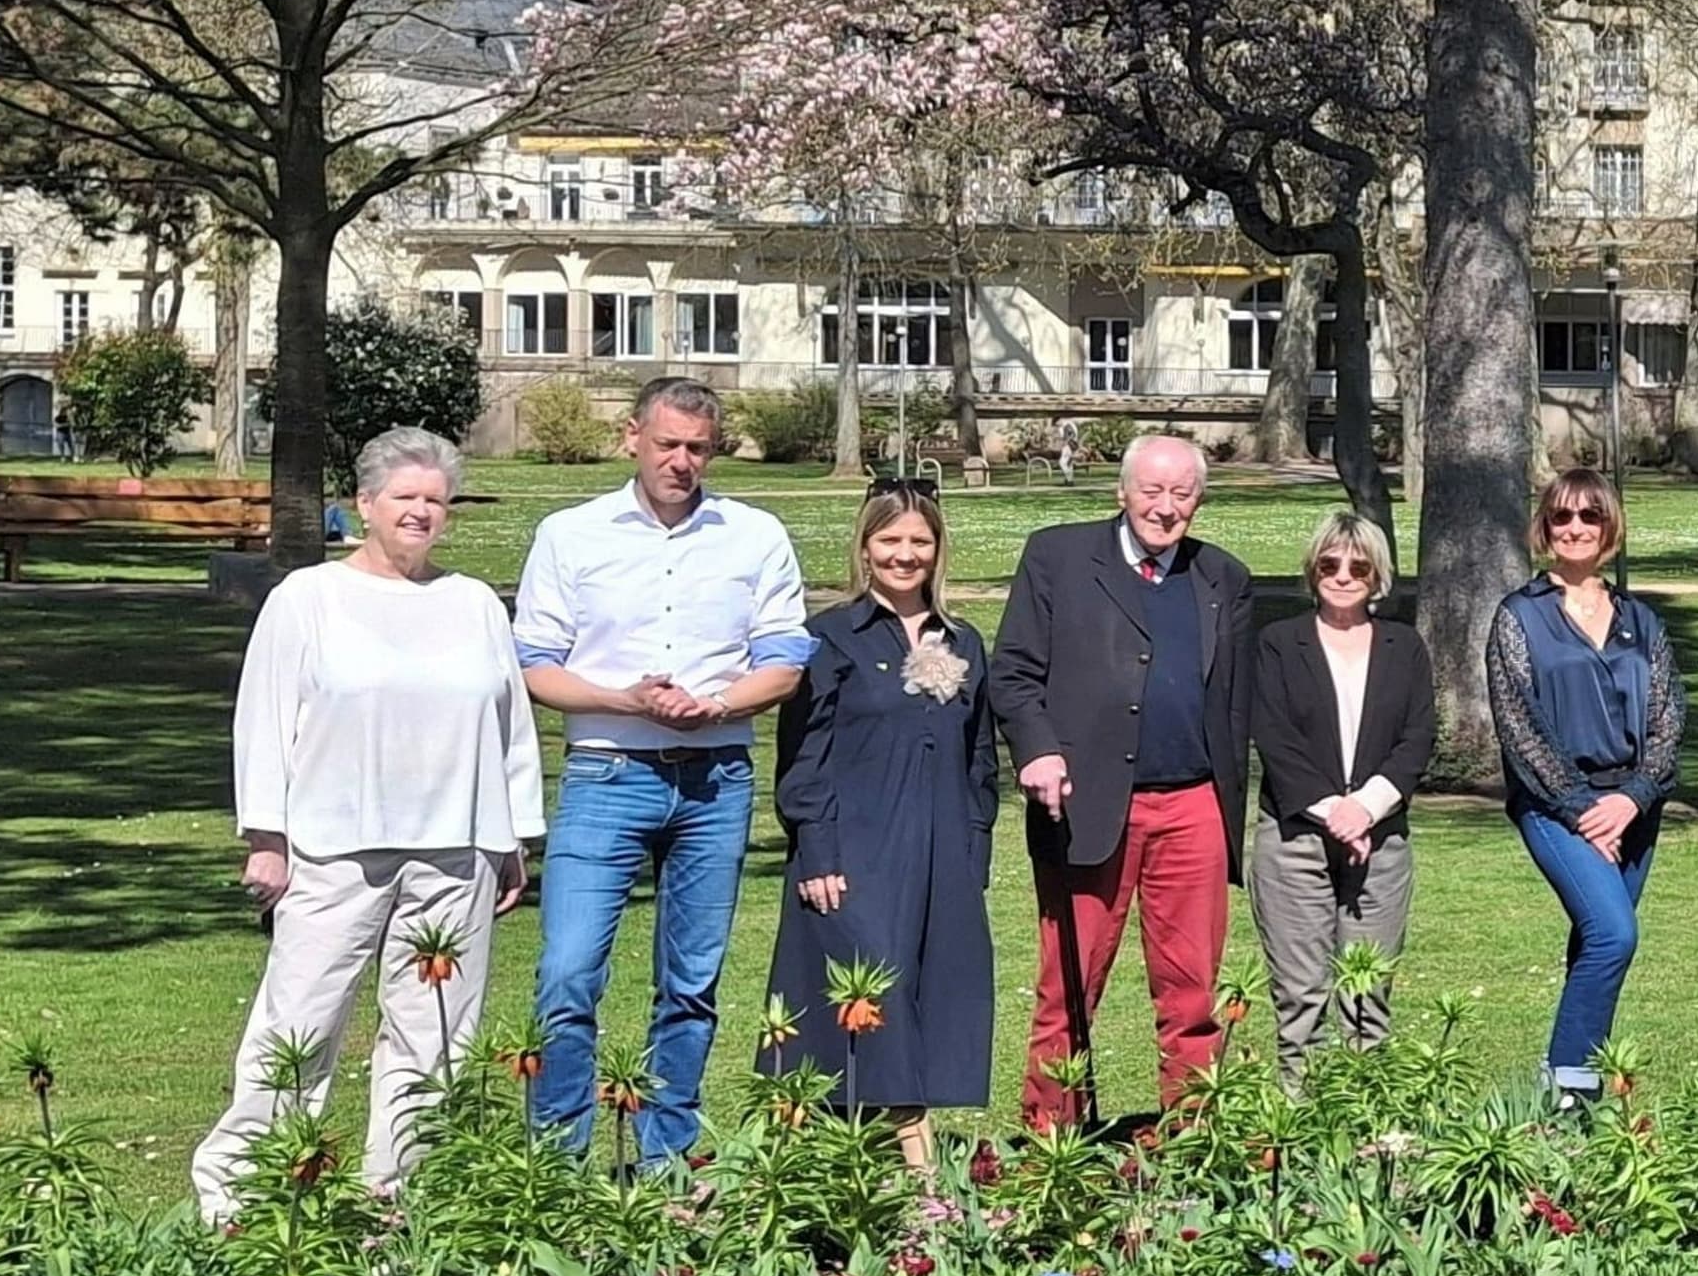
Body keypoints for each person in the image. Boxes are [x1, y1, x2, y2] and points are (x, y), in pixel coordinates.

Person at [194, 429, 540, 1217]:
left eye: (434, 501)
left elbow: (508, 723)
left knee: (435, 1035)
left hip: (455, 851)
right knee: (300, 1021)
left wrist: (513, 836)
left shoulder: (474, 603)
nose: (420, 514)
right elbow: (265, 719)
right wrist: (267, 839)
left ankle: (401, 1199)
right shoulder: (308, 597)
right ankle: (244, 1194)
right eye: (404, 499)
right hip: (333, 849)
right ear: (366, 506)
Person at [514, 376, 811, 1169]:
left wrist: (715, 706)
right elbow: (536, 663)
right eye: (668, 444)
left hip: (715, 779)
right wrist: (623, 699)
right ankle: (557, 1158)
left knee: (690, 983)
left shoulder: (753, 535)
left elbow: (785, 658)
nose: (682, 461)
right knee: (569, 972)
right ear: (631, 437)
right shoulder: (570, 534)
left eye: (698, 449)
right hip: (607, 774)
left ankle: (665, 1160)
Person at [992, 432, 1254, 1128]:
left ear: (1199, 499)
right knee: (1069, 988)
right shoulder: (1059, 557)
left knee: (1192, 989)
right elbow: (1013, 674)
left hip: (1193, 804)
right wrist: (1038, 750)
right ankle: (1052, 1142)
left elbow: (1234, 699)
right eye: (1152, 490)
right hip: (1089, 806)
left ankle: (1193, 1138)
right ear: (1122, 490)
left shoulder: (1222, 577)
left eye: (1182, 493)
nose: (1165, 508)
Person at [761, 482, 999, 1170]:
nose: (905, 555)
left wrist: (972, 851)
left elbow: (980, 755)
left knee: (929, 994)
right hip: (855, 852)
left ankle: (860, 1164)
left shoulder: (964, 641)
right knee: (869, 992)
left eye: (919, 541)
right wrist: (816, 850)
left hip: (941, 853)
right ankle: (912, 1171)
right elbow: (804, 754)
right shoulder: (831, 638)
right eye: (890, 540)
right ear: (865, 548)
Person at [1491, 468, 1686, 1103]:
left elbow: (1668, 718)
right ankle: (1569, 1086)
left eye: (1590, 517)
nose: (1576, 528)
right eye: (1562, 517)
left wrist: (1631, 798)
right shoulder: (1519, 618)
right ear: (1545, 528)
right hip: (1555, 806)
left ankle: (1574, 1101)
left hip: (1633, 809)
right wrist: (1581, 809)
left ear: (1610, 528)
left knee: (1593, 945)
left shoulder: (1642, 620)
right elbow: (1519, 726)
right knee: (1614, 934)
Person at [1247, 510, 1435, 1077]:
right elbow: (1272, 735)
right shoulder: (1279, 642)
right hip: (1296, 838)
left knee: (1366, 1000)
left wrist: (1367, 809)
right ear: (1313, 570)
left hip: (1382, 842)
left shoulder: (1405, 647)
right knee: (1303, 1001)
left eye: (1359, 564)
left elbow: (1417, 736)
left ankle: (1365, 1132)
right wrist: (1337, 813)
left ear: (1378, 574)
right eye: (1330, 563)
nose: (1344, 574)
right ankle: (1302, 1139)